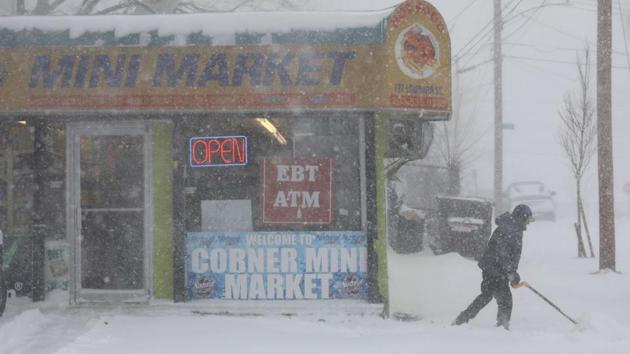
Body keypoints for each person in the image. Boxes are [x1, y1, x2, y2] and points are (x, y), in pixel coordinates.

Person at [453, 204, 534, 330]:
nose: (528, 223)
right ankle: (501, 326)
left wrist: (511, 272)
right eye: (527, 219)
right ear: (521, 217)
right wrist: (511, 272)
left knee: (487, 296)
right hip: (494, 269)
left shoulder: (513, 228)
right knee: (504, 300)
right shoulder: (509, 229)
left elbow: (510, 254)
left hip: (495, 268)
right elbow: (503, 253)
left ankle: (462, 320)